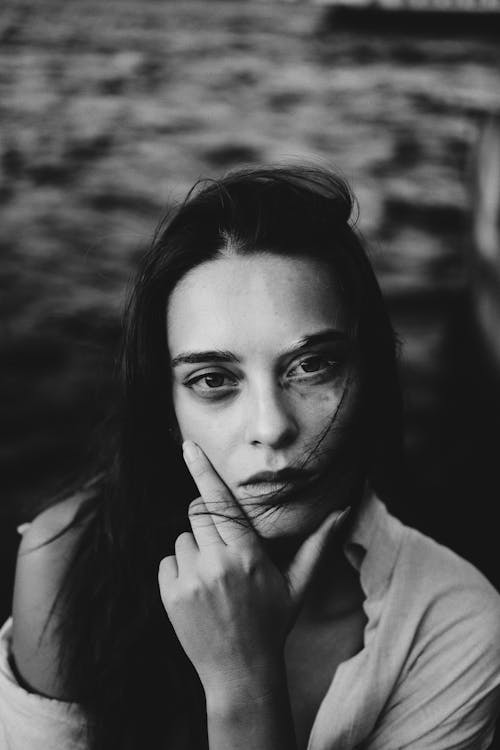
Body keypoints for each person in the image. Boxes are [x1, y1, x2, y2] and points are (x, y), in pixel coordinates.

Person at [1, 165, 500, 750]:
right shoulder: (67, 563)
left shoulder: (452, 625)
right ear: (166, 407)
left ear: (372, 374)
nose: (271, 427)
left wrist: (243, 681)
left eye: (312, 366)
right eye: (213, 378)